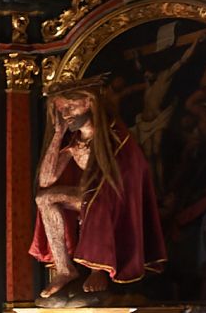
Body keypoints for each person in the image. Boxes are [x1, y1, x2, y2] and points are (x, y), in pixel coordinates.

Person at [31, 83, 164, 296]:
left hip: (115, 199)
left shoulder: (115, 136)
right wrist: (58, 134)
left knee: (96, 201)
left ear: (89, 103)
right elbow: (46, 180)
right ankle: (65, 270)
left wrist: (100, 191)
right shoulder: (76, 141)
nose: (65, 114)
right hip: (87, 196)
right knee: (44, 198)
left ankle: (99, 269)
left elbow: (130, 173)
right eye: (61, 109)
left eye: (70, 106)